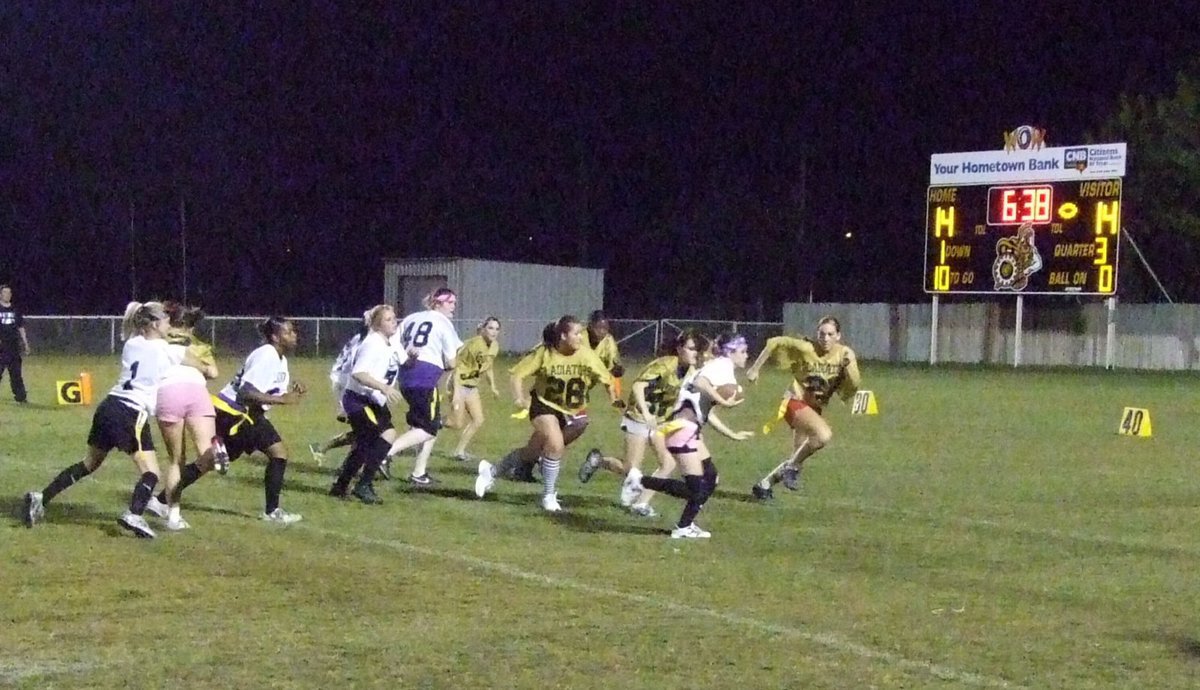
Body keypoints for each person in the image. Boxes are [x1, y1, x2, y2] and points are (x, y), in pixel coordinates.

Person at [23, 302, 203, 538]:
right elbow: (201, 364)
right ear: (155, 324)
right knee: (151, 473)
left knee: (89, 463)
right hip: (131, 411)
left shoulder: (131, 343)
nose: (170, 325)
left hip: (108, 407)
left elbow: (152, 336)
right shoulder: (167, 350)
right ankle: (134, 515)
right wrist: (187, 338)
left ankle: (41, 498)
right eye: (166, 321)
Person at [169, 316, 307, 524]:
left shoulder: (279, 358)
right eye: (288, 332)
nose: (294, 335)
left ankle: (161, 500)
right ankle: (272, 512)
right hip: (236, 413)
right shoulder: (267, 355)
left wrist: (289, 391)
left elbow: (263, 389)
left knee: (208, 462)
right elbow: (246, 392)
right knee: (278, 454)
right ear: (275, 337)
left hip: (240, 413)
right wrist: (281, 399)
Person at [474, 315, 616, 512]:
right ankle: (548, 496)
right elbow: (517, 375)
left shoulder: (585, 354)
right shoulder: (545, 352)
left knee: (532, 452)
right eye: (576, 333)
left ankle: (490, 471)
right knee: (556, 444)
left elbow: (607, 377)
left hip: (568, 408)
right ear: (563, 336)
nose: (580, 337)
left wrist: (613, 396)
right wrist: (518, 398)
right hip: (543, 404)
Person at [620, 331, 754, 538]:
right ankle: (641, 482)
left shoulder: (717, 367)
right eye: (743, 351)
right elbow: (701, 383)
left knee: (710, 479)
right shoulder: (722, 366)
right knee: (696, 489)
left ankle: (685, 526)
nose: (746, 355)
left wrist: (732, 434)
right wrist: (724, 400)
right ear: (730, 352)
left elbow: (703, 411)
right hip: (683, 430)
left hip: (689, 429)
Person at [577, 330, 704, 517]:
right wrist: (645, 413)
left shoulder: (691, 372)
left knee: (668, 463)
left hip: (660, 421)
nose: (696, 353)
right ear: (679, 349)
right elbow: (638, 385)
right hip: (638, 416)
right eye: (692, 349)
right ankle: (599, 461)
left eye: (698, 350)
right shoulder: (664, 365)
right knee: (630, 469)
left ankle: (641, 504)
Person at [745, 316, 861, 499]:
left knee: (798, 457)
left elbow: (854, 382)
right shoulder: (806, 348)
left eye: (830, 334)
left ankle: (764, 485)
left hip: (814, 408)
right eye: (821, 333)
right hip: (794, 401)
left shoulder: (845, 354)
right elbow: (774, 342)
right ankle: (790, 469)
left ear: (838, 336)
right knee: (823, 436)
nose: (825, 338)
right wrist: (755, 368)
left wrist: (847, 384)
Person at [144, 302, 226, 531]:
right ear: (191, 326)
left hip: (168, 392)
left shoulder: (158, 340)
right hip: (197, 391)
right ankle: (216, 449)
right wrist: (200, 366)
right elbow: (214, 373)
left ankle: (173, 516)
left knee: (176, 460)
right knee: (206, 454)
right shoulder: (198, 345)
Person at [384, 288, 463, 484]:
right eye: (450, 302)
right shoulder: (444, 323)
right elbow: (452, 362)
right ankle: (384, 454)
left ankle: (419, 472)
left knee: (429, 425)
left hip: (406, 375)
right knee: (428, 428)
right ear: (438, 303)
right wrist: (444, 366)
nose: (454, 306)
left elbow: (392, 342)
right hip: (425, 377)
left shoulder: (412, 318)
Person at [329, 304, 403, 504]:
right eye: (388, 319)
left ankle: (341, 485)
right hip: (359, 399)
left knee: (365, 443)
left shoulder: (388, 343)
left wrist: (411, 358)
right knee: (379, 437)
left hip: (371, 400)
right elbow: (359, 373)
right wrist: (384, 388)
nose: (393, 321)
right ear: (378, 324)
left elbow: (400, 363)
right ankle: (363, 484)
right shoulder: (373, 343)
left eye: (394, 317)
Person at [309, 311, 371, 467]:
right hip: (347, 384)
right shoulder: (366, 341)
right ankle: (353, 463)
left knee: (365, 428)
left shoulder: (360, 338)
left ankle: (326, 450)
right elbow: (356, 367)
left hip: (342, 381)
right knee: (367, 427)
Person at [445, 317, 501, 462]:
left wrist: (493, 387)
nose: (493, 332)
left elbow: (488, 367)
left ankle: (459, 451)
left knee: (478, 419)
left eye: (496, 328)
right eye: (490, 328)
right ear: (483, 329)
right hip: (458, 384)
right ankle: (431, 422)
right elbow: (457, 368)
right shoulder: (472, 344)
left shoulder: (494, 346)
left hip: (471, 386)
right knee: (457, 423)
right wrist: (456, 392)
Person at [582, 310, 625, 403]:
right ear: (590, 326)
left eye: (605, 328)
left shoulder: (608, 342)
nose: (601, 332)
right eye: (598, 328)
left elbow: (611, 372)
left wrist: (615, 398)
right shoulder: (580, 338)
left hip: (584, 387)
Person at [0, 284, 31, 403]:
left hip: (13, 346)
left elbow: (20, 327)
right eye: (5, 293)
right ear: (0, 294)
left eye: (9, 293)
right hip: (1, 347)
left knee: (16, 373)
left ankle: (21, 397)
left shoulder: (15, 309)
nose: (7, 295)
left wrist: (25, 343)